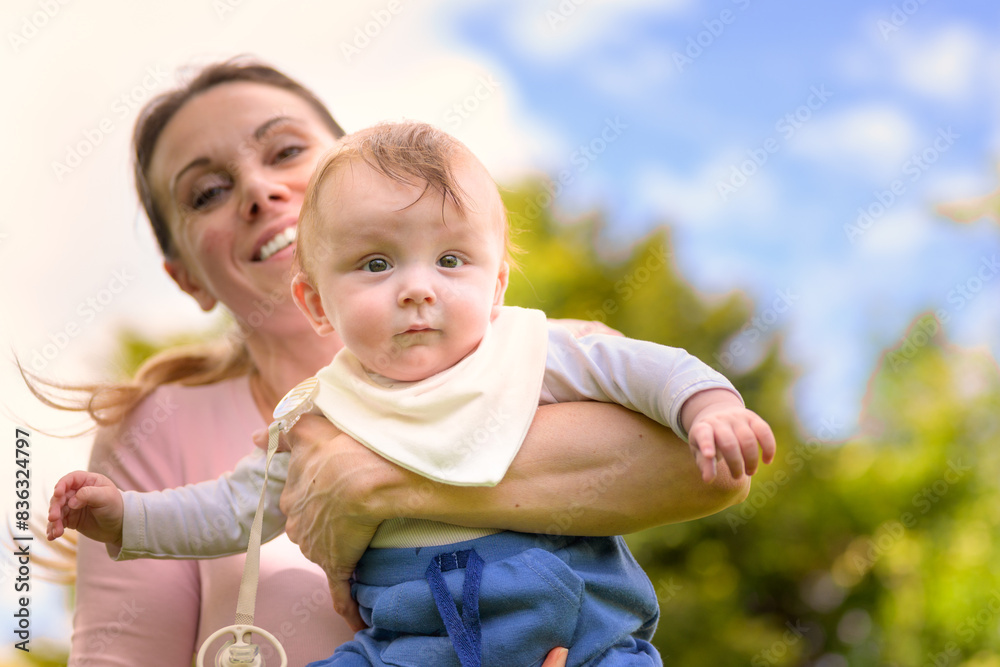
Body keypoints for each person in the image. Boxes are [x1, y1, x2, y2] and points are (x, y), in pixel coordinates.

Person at [49, 121, 775, 665]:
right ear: (316, 303)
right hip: (411, 641)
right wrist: (126, 519)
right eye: (376, 263)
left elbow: (648, 370)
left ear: (495, 287)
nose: (419, 287)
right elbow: (230, 508)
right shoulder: (318, 415)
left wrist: (707, 407)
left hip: (576, 627)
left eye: (452, 259)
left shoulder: (532, 352)